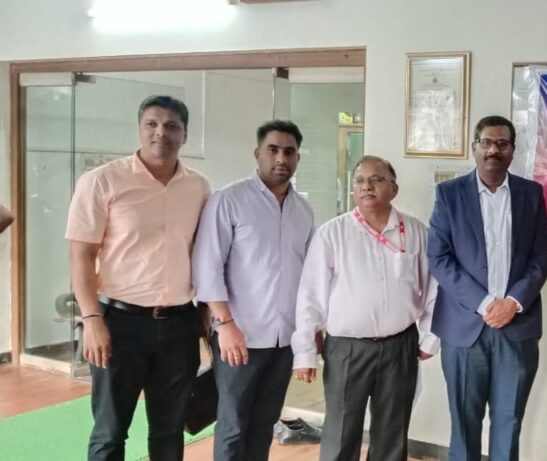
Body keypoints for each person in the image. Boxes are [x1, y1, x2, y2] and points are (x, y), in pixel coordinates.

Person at [66, 95, 210, 461]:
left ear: (185, 135)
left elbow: (204, 254)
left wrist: (206, 311)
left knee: (169, 429)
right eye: (152, 124)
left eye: (172, 126)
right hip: (118, 323)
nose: (161, 132)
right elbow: (81, 256)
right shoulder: (102, 181)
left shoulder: (198, 187)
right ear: (140, 129)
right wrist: (92, 320)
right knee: (110, 430)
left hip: (179, 325)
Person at [291, 155, 438, 461]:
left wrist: (430, 338)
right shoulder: (333, 233)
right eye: (360, 180)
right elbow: (310, 296)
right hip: (346, 349)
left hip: (400, 347)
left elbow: (435, 289)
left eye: (376, 179)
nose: (367, 186)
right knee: (341, 431)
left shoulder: (416, 232)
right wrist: (304, 352)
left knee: (392, 432)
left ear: (394, 189)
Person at [428, 115, 547, 461]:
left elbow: (543, 255)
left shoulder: (531, 194)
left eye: (502, 144)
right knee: (464, 424)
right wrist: (484, 303)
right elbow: (438, 257)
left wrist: (513, 301)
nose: (493, 150)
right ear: (475, 147)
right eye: (487, 142)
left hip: (517, 326)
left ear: (513, 150)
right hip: (465, 329)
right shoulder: (449, 194)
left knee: (509, 423)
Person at [192, 120, 314, 461]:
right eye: (273, 150)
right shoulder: (229, 201)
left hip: (283, 339)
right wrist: (225, 325)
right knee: (233, 424)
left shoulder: (303, 210)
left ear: (298, 158)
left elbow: (309, 276)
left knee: (265, 422)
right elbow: (208, 268)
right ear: (257, 153)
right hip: (239, 336)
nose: (281, 159)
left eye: (289, 152)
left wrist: (308, 329)